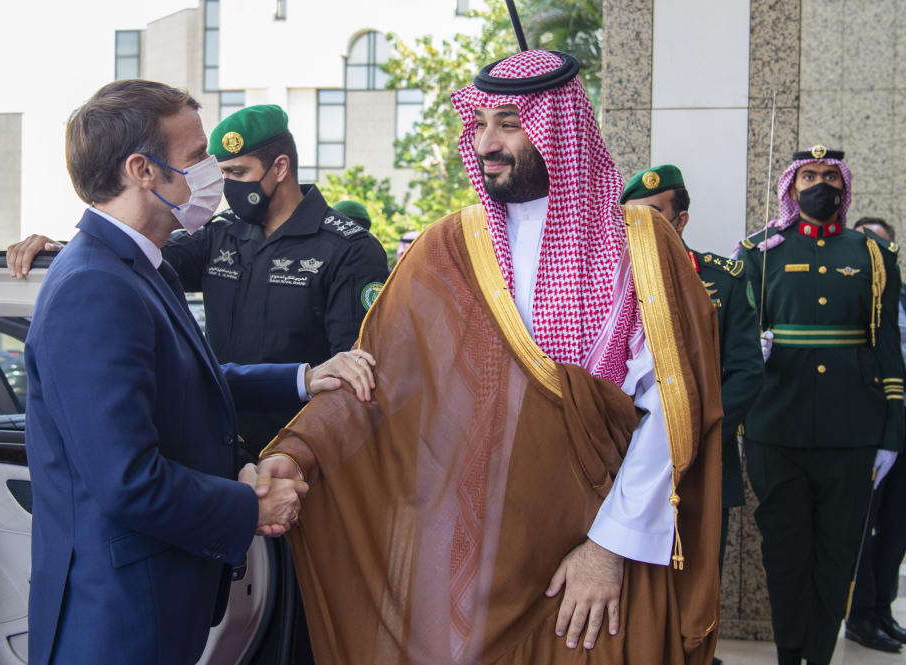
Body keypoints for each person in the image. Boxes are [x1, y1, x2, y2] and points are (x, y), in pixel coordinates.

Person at [253, 49, 723, 665]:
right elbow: (379, 380)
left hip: (599, 547)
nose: (487, 142)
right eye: (479, 124)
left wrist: (609, 548)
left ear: (561, 125)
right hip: (482, 554)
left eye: (510, 122)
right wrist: (298, 451)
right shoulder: (449, 245)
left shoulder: (638, 239)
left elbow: (669, 407)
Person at [25, 80, 376, 665]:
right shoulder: (95, 286)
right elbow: (127, 480)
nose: (210, 173)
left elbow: (195, 375)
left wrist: (304, 378)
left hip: (163, 593)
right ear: (143, 169)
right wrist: (249, 508)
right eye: (196, 159)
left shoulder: (141, 266)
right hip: (118, 616)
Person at [7, 104, 390, 451]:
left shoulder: (347, 249)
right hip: (223, 450)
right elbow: (133, 257)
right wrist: (60, 248)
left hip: (305, 456)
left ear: (280, 168)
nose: (227, 186)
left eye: (238, 172)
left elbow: (350, 377)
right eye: (221, 173)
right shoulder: (219, 235)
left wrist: (295, 455)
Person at [736, 147, 904, 665]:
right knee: (785, 554)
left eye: (831, 176)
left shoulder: (873, 254)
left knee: (837, 554)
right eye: (809, 176)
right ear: (791, 186)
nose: (820, 184)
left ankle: (819, 655)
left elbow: (888, 351)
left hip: (853, 429)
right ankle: (790, 656)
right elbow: (739, 333)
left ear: (844, 185)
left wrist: (891, 435)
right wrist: (753, 352)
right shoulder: (760, 250)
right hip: (775, 425)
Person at [621, 164, 764, 573]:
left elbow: (748, 373)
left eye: (653, 214)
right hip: (623, 455)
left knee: (695, 586)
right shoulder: (610, 283)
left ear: (680, 220)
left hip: (701, 455)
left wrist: (690, 427)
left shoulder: (725, 279)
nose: (639, 226)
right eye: (631, 216)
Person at [845, 216, 906, 652]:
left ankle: (883, 609)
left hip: (902, 425)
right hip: (868, 424)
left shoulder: (901, 296)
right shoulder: (852, 299)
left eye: (883, 246)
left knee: (897, 525)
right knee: (864, 524)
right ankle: (860, 615)